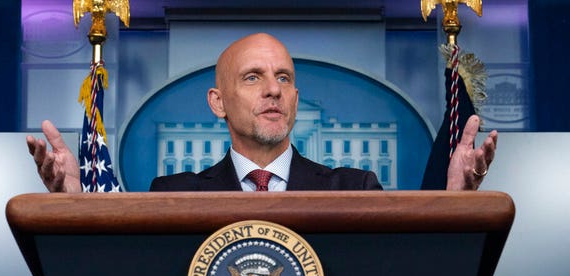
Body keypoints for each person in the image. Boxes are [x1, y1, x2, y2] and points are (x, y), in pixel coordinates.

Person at [27, 32, 497, 193]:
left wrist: (455, 203)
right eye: (252, 77)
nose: (273, 89)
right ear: (218, 103)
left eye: (285, 79)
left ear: (295, 100)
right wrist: (77, 204)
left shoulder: (354, 189)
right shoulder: (172, 195)